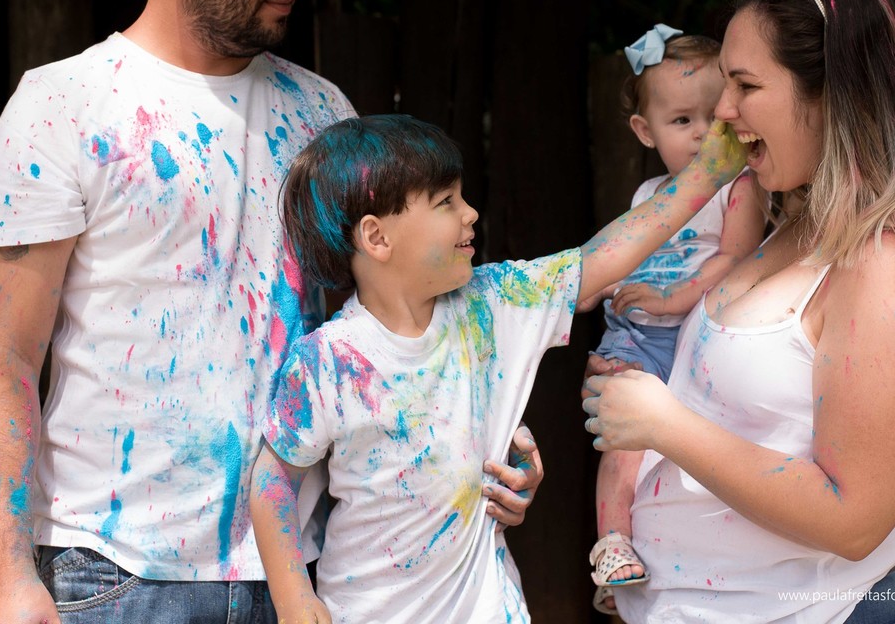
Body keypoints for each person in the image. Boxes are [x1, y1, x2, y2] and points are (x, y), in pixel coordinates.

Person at [0, 0, 540, 623]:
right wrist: (5, 572)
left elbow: (388, 325)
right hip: (113, 575)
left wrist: (483, 421)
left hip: (307, 574)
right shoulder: (60, 107)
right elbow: (3, 358)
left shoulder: (325, 114)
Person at [582, 0, 895, 623]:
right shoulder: (789, 226)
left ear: (834, 94)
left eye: (745, 85)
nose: (723, 111)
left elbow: (852, 518)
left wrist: (663, 424)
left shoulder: (892, 270)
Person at [249, 113, 749, 624]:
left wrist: (708, 171)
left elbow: (601, 258)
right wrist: (293, 596)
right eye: (446, 202)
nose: (470, 213)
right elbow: (272, 479)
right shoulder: (326, 361)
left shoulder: (493, 302)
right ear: (377, 238)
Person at [586, 25, 767, 614]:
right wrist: (608, 284)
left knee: (690, 454)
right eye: (680, 122)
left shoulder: (738, 186)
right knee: (623, 444)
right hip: (638, 337)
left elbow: (733, 257)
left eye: (710, 120)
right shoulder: (647, 195)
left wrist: (670, 300)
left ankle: (681, 565)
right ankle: (615, 547)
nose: (699, 137)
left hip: (693, 337)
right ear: (645, 131)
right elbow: (629, 257)